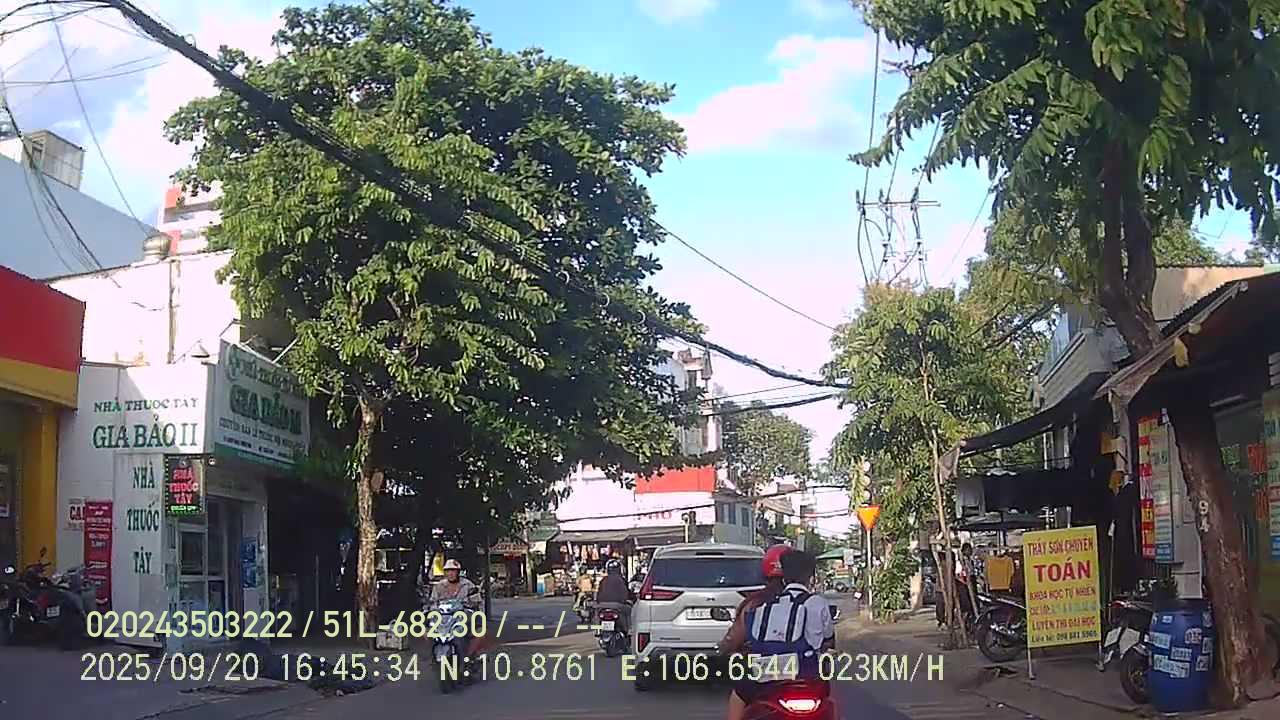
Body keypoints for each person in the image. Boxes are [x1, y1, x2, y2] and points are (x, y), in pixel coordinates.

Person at [725, 548, 834, 720]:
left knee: (739, 694)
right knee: (827, 698)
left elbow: (742, 639)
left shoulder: (762, 605)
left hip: (768, 670)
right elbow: (828, 639)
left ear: (784, 577)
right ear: (811, 578)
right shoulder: (818, 603)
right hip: (807, 671)